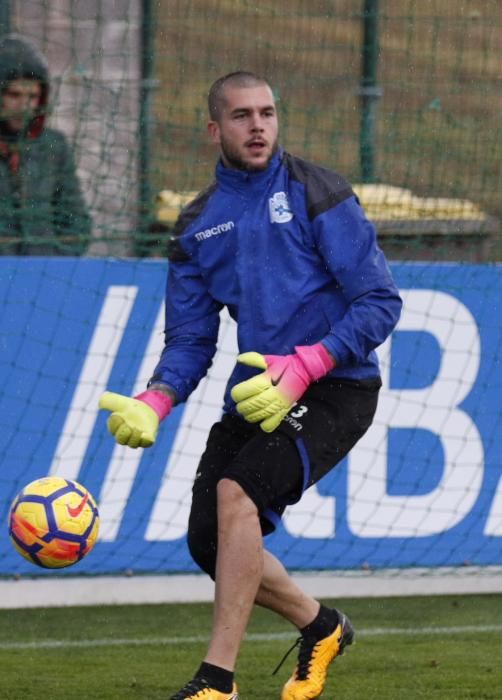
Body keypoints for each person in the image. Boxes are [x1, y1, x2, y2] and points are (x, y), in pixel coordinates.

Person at [99, 71, 403, 700]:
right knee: (209, 538)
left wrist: (310, 363)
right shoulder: (196, 226)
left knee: (237, 494)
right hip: (260, 386)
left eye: (267, 112)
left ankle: (217, 680)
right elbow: (189, 341)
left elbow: (378, 302)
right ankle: (322, 626)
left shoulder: (317, 191)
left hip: (337, 384)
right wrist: (157, 399)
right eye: (241, 115)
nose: (258, 125)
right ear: (214, 129)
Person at [0, 34, 91, 255]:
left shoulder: (53, 147)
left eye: (32, 96)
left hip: (43, 275)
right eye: (15, 94)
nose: (24, 105)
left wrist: (54, 262)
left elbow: (75, 218)